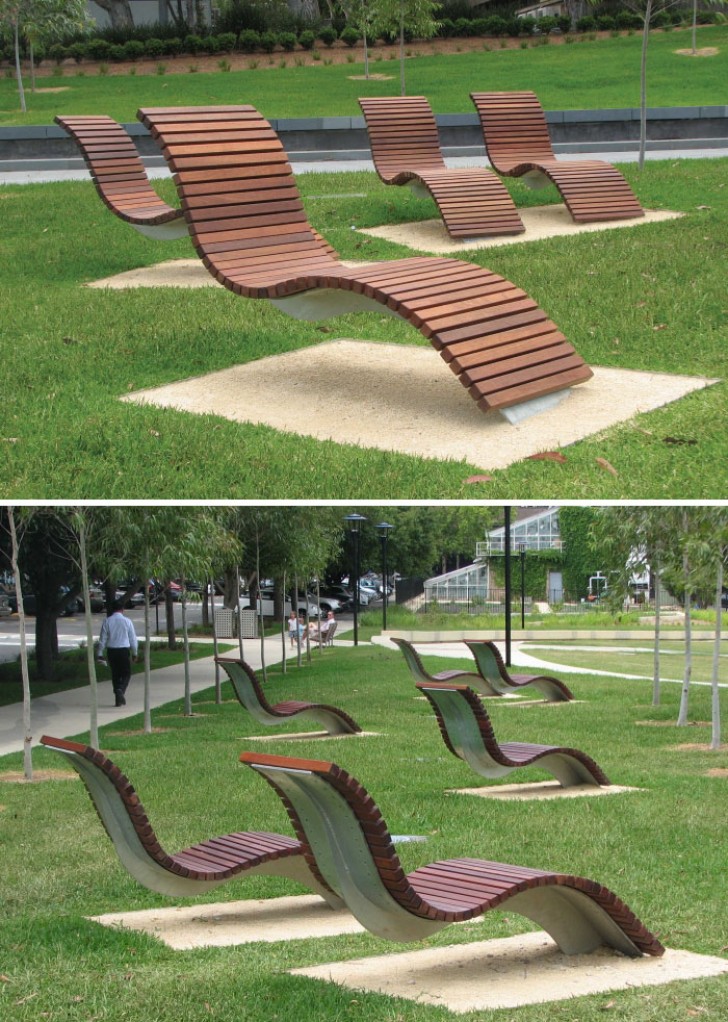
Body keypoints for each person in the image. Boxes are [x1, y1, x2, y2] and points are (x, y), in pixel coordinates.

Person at [97, 602, 138, 707]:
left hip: (112, 650)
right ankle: (120, 690)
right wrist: (134, 652)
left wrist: (100, 653)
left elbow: (103, 639)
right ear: (122, 609)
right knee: (126, 673)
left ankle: (117, 699)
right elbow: (132, 638)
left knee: (115, 673)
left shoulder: (107, 621)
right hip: (123, 650)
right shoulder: (127, 621)